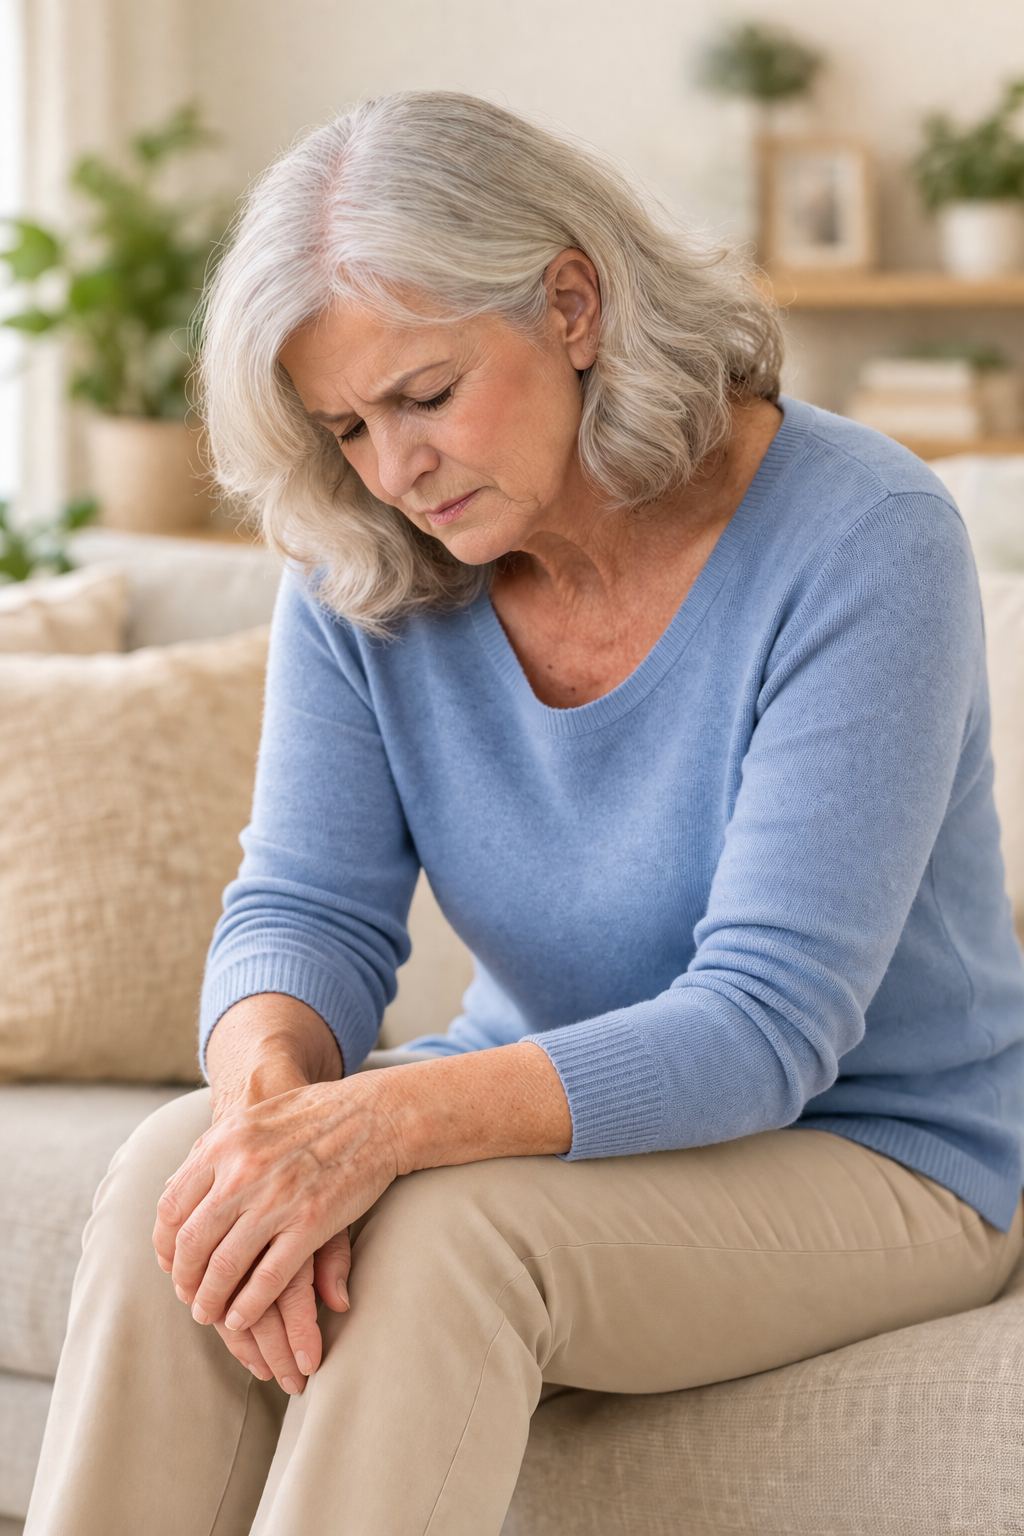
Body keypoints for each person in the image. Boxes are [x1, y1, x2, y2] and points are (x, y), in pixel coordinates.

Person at [25, 91, 1024, 1536]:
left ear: (572, 304)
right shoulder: (362, 555)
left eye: (424, 397)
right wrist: (266, 1119)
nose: (392, 469)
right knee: (173, 1185)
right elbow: (302, 911)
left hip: (875, 1148)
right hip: (536, 1103)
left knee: (442, 1237)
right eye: (346, 426)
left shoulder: (866, 539)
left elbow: (766, 1023)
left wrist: (380, 1127)